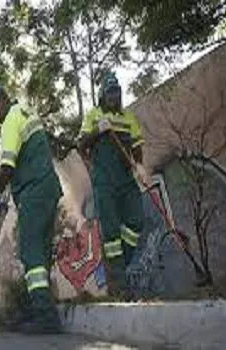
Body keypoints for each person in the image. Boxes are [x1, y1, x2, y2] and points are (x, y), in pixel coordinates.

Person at [0, 86, 64, 334]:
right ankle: (38, 307)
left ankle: (45, 316)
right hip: (48, 188)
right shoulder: (27, 114)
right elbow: (25, 158)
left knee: (30, 251)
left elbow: (7, 164)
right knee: (41, 250)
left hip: (34, 191)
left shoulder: (10, 120)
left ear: (3, 101)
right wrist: (10, 191)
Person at [76, 72, 148, 298]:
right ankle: (120, 284)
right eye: (109, 92)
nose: (114, 96)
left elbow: (136, 145)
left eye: (116, 92)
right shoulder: (93, 115)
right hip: (104, 181)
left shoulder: (129, 118)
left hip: (126, 179)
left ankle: (118, 268)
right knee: (111, 233)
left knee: (137, 220)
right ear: (101, 95)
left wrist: (140, 166)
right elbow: (81, 144)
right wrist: (98, 130)